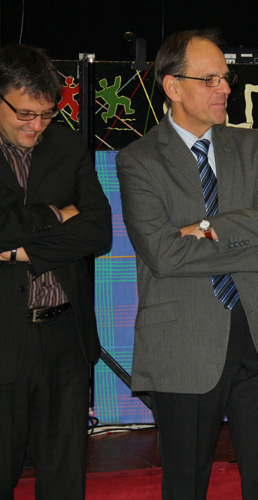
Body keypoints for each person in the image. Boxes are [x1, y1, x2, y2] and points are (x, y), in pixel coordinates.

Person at [115, 29, 258, 499]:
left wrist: (205, 228)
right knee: (186, 483)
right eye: (210, 79)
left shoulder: (254, 145)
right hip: (184, 343)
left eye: (226, 78)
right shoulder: (139, 159)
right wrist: (254, 239)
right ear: (172, 86)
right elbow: (164, 254)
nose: (224, 88)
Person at [0, 44, 112, 499]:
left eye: (46, 114)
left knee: (64, 478)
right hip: (4, 333)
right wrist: (55, 214)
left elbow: (98, 230)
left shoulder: (66, 144)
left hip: (66, 335)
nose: (36, 126)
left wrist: (19, 253)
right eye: (25, 114)